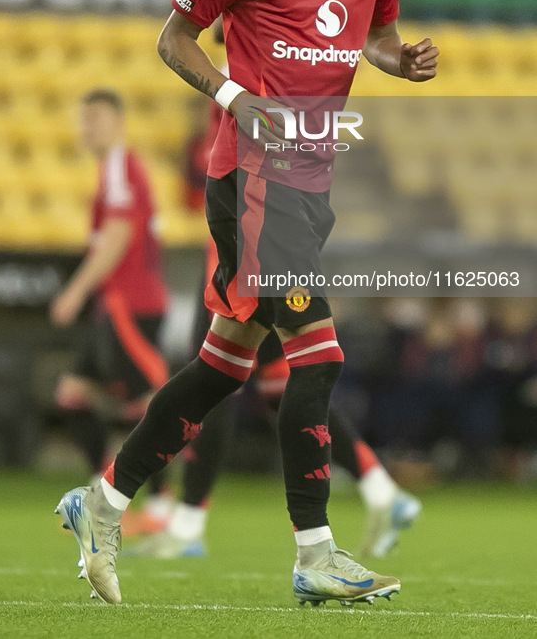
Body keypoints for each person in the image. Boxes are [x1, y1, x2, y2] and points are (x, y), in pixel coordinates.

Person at [55, 0, 438, 606]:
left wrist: (397, 60)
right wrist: (236, 99)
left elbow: (373, 33)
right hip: (250, 175)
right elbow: (173, 39)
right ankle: (315, 552)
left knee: (225, 364)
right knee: (319, 355)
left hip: (309, 174)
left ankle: (102, 500)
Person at [131, 101, 421, 560]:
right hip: (262, 255)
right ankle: (382, 490)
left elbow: (224, 188)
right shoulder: (269, 86)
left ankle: (186, 521)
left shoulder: (237, 94)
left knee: (217, 385)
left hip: (239, 266)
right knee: (279, 388)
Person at [51, 88, 171, 519]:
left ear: (118, 121)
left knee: (148, 404)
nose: (88, 129)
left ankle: (162, 507)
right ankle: (104, 495)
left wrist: (76, 290)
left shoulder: (121, 165)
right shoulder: (112, 171)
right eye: (84, 120)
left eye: (96, 119)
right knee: (73, 393)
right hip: (117, 305)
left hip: (130, 304)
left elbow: (119, 235)